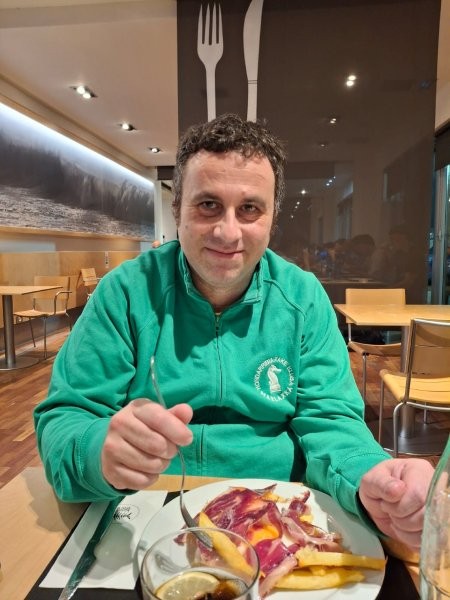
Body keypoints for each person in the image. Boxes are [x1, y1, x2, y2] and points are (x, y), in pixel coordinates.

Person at [35, 114, 433, 550]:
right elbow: (66, 419)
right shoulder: (125, 293)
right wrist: (98, 453)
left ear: (272, 218)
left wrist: (370, 476)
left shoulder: (303, 298)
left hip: (278, 510)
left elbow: (332, 420)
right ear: (177, 209)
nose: (228, 232)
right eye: (208, 205)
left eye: (249, 209)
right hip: (144, 509)